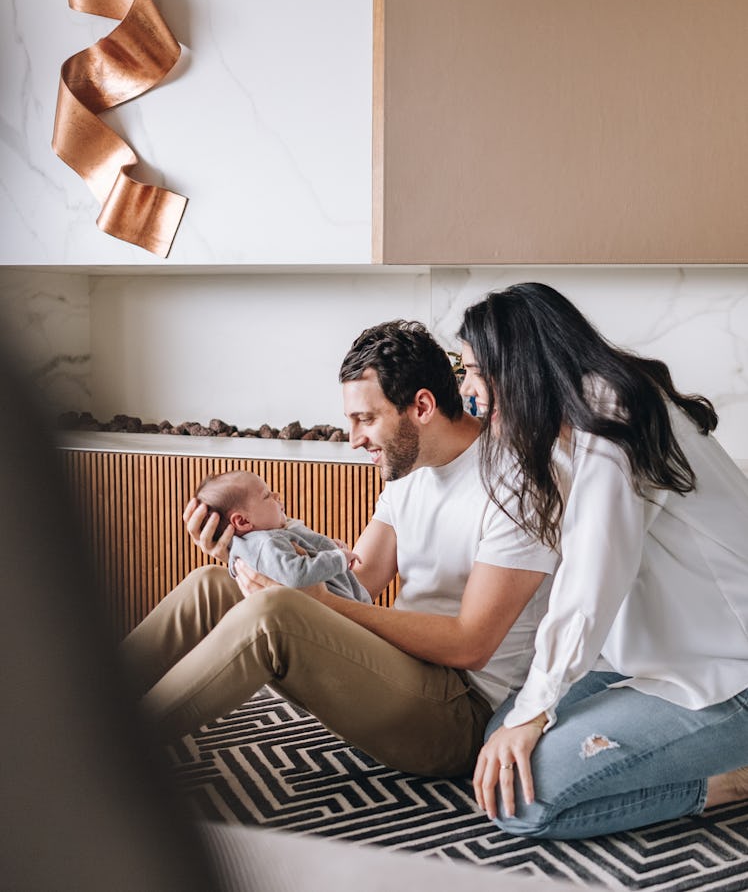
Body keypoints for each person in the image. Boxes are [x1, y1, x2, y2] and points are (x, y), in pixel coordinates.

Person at [119, 320, 558, 777]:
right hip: (402, 674)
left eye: (366, 419)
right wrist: (244, 553)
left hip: (460, 714)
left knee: (274, 616)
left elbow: (472, 645)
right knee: (213, 584)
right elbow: (360, 579)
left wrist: (316, 603)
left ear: (422, 406)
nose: (354, 440)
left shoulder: (514, 485)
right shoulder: (411, 470)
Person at [458, 282, 748, 838]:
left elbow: (591, 580)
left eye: (473, 371)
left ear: (518, 365)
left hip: (728, 672)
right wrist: (529, 713)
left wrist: (539, 710)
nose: (467, 390)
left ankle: (729, 781)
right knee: (500, 741)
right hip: (646, 659)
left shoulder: (614, 417)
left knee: (520, 799)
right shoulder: (571, 427)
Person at [195, 469, 371, 602]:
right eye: (267, 495)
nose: (276, 495)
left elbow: (302, 547)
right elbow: (296, 574)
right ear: (242, 521)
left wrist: (327, 546)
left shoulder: (267, 536)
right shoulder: (267, 543)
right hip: (339, 614)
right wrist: (338, 559)